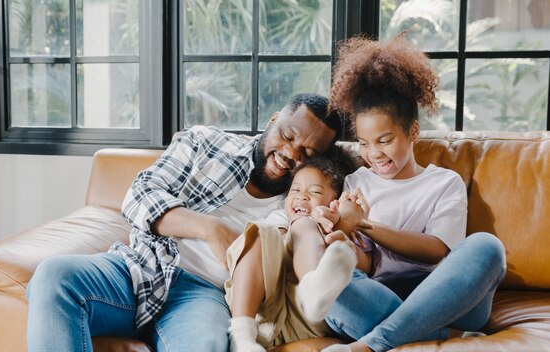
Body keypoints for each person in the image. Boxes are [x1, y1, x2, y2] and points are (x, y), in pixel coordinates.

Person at [25, 93, 344, 352]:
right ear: (274, 119)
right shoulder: (206, 143)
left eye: (307, 152)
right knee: (54, 276)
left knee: (202, 346)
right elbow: (139, 195)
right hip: (141, 268)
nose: (289, 153)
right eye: (287, 136)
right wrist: (210, 229)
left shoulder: (300, 200)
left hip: (205, 295)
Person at [315, 36, 507, 352]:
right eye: (364, 142)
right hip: (382, 295)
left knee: (487, 246)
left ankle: (371, 344)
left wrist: (366, 224)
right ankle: (444, 334)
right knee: (331, 282)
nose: (373, 153)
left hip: (448, 296)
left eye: (385, 140)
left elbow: (436, 251)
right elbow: (366, 264)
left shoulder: (445, 183)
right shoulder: (356, 181)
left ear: (413, 132)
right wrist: (342, 240)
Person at [225, 148, 370, 352]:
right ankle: (241, 338)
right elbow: (277, 246)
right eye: (295, 190)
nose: (302, 197)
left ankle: (315, 290)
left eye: (315, 192)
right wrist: (311, 226)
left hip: (303, 321)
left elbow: (365, 267)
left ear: (334, 201)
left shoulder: (346, 229)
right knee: (260, 231)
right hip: (261, 310)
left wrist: (341, 227)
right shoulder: (279, 218)